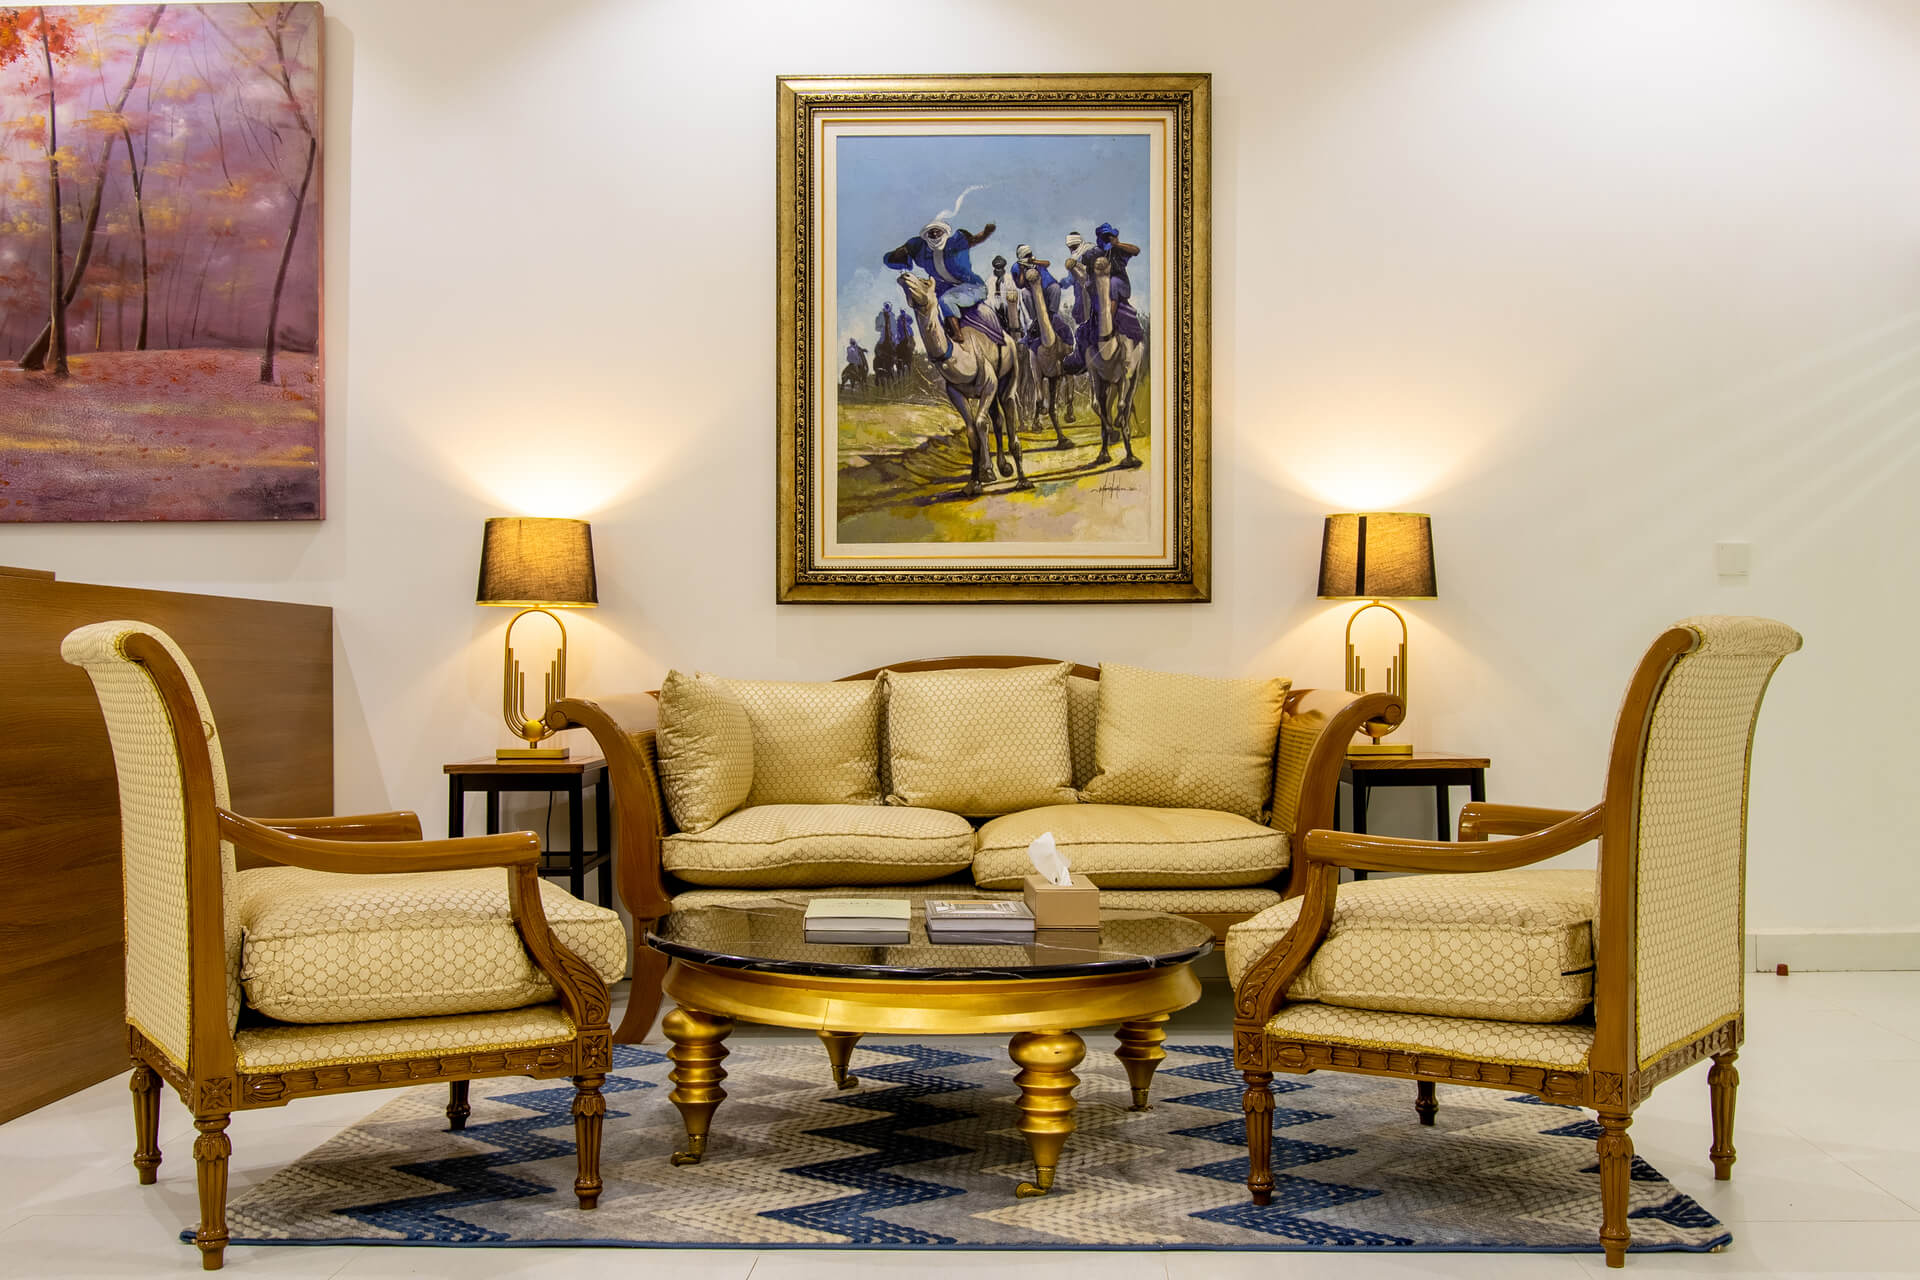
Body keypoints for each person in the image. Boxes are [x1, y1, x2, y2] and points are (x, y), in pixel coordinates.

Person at [883, 218, 997, 341]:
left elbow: (974, 240)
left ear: (944, 233)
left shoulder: (955, 243)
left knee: (946, 300)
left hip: (972, 287)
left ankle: (958, 334)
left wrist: (986, 232)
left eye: (938, 232)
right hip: (943, 288)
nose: (935, 235)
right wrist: (899, 253)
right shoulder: (922, 250)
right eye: (931, 233)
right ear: (926, 236)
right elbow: (895, 257)